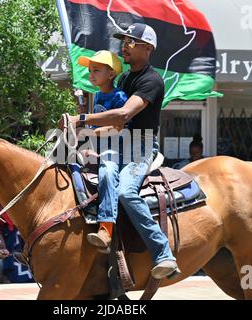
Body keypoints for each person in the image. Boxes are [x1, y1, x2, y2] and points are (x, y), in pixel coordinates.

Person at [60, 23, 179, 279]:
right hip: (117, 143)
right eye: (123, 41)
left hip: (141, 146)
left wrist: (81, 120)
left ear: (148, 48)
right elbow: (114, 123)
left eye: (131, 41)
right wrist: (88, 133)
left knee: (126, 191)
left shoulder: (152, 80)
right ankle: (105, 234)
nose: (124, 45)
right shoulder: (123, 78)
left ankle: (164, 253)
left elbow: (125, 114)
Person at [77, 50, 128, 245]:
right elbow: (96, 126)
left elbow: (117, 126)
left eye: (96, 70)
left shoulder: (120, 96)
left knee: (107, 172)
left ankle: (106, 227)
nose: (91, 74)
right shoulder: (97, 96)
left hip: (119, 148)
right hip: (101, 147)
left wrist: (91, 133)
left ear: (111, 74)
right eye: (90, 70)